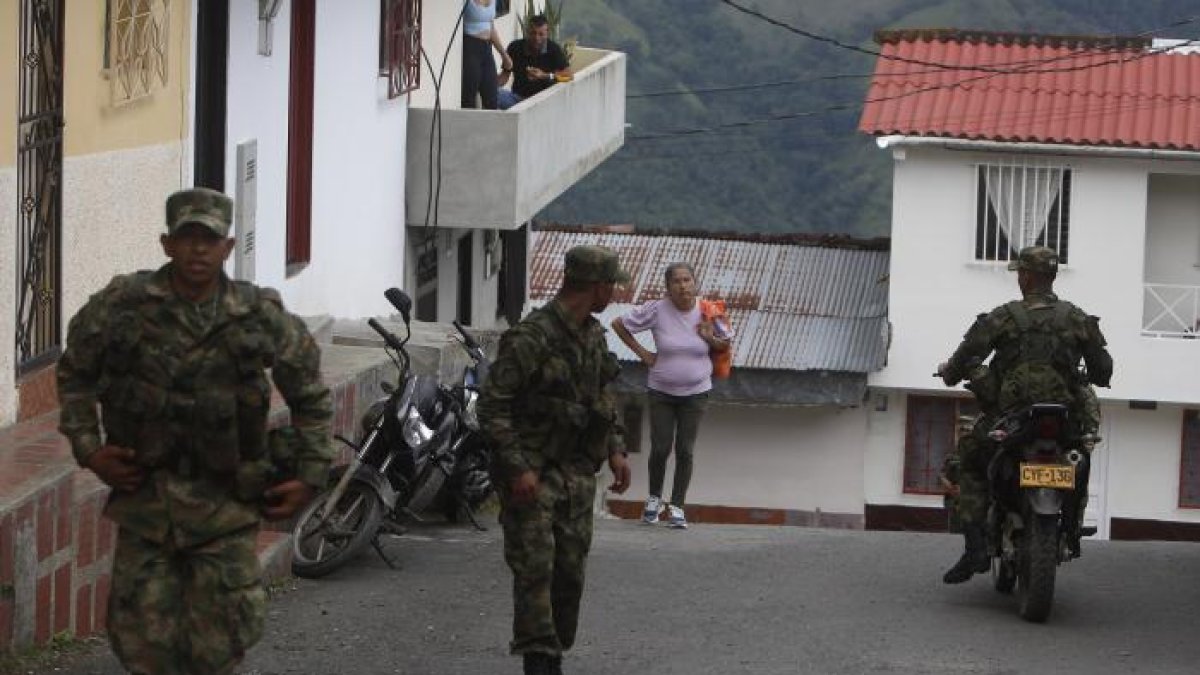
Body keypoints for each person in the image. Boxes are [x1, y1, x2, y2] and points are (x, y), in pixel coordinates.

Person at [56, 187, 333, 674]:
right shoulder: (124, 304)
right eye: (187, 238)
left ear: (227, 247)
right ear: (166, 244)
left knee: (218, 647)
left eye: (209, 239)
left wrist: (309, 473)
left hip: (224, 505)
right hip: (146, 501)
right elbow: (75, 372)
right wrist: (90, 450)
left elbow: (309, 392)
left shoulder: (256, 314)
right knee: (141, 647)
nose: (198, 250)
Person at [479, 244, 633, 675]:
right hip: (533, 476)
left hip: (576, 477)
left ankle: (552, 652)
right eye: (610, 286)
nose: (613, 295)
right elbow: (492, 406)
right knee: (535, 574)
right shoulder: (532, 337)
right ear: (597, 286)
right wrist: (517, 468)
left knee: (569, 578)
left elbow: (604, 394)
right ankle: (541, 663)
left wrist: (616, 448)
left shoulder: (592, 334)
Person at [936, 245, 1112, 583]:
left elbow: (967, 355)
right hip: (1062, 420)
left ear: (1026, 276)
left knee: (971, 459)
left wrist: (950, 372)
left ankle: (975, 548)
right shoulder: (1076, 318)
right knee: (1080, 461)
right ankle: (1072, 530)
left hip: (1014, 418)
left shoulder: (1004, 317)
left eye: (1020, 272)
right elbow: (1103, 370)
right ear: (1051, 277)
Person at [611, 263, 732, 529]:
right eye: (676, 281)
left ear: (695, 283)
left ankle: (677, 506)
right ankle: (654, 499)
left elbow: (726, 343)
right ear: (668, 288)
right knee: (661, 447)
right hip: (661, 391)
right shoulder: (657, 309)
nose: (683, 286)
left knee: (685, 450)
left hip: (696, 392)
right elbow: (619, 324)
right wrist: (642, 353)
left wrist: (710, 338)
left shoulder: (708, 311)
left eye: (687, 280)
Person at [498, 14, 571, 110]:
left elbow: (569, 75)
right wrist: (487, 85)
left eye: (541, 34)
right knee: (492, 93)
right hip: (517, 100)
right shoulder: (514, 47)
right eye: (533, 33)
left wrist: (544, 75)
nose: (537, 38)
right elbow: (504, 76)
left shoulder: (554, 49)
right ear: (527, 32)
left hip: (543, 102)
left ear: (547, 33)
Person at [462, 0, 514, 109]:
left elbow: (491, 28)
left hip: (486, 48)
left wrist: (504, 55)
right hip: (470, 46)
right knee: (469, 96)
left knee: (491, 94)